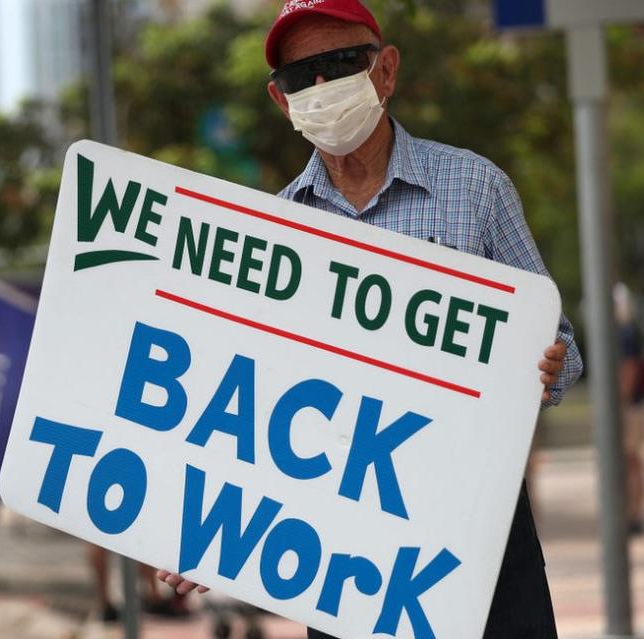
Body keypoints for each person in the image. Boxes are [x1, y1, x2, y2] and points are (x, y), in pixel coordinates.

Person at [157, 2, 583, 637]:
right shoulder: (272, 235)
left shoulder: (475, 189)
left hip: (479, 526)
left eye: (341, 64)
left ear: (386, 72)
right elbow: (250, 403)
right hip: (342, 553)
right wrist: (210, 535)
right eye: (303, 75)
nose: (323, 88)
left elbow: (563, 352)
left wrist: (547, 366)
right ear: (281, 100)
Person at [614, 282, 644, 534]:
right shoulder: (626, 331)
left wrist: (620, 402)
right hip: (631, 404)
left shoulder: (624, 333)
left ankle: (635, 513)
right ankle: (632, 512)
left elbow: (629, 368)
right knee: (630, 461)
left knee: (631, 460)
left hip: (628, 407)